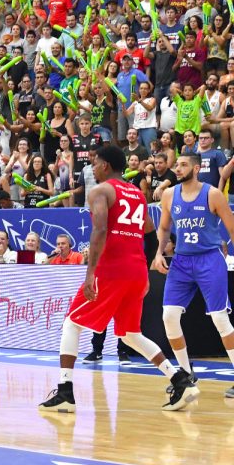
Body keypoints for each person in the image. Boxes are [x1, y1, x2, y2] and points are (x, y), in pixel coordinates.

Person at [39, 146, 199, 413]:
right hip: (135, 271)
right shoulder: (136, 194)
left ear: (105, 165)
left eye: (94, 163)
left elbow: (100, 229)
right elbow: (150, 234)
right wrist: (145, 269)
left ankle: (65, 391)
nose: (91, 168)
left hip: (111, 270)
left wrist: (90, 273)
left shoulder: (100, 191)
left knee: (72, 324)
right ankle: (180, 380)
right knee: (130, 334)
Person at [154, 153, 234, 398]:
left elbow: (231, 227)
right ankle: (186, 374)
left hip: (209, 258)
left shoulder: (213, 194)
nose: (178, 169)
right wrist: (158, 253)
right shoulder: (169, 195)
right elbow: (164, 227)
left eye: (183, 165)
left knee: (219, 318)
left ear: (197, 168)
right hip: (181, 260)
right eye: (177, 165)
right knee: (169, 316)